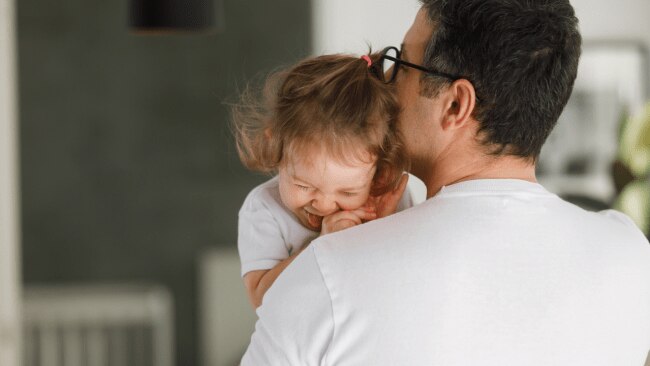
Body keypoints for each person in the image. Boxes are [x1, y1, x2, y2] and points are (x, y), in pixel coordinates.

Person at [241, 0, 650, 364]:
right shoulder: (632, 256)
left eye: (402, 63)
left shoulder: (327, 269)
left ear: (455, 104)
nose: (384, 80)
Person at [232, 53, 413, 308]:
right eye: (304, 186)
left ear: (378, 172)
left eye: (348, 193)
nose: (325, 205)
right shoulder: (264, 209)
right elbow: (261, 299)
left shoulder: (385, 198)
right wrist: (323, 244)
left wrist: (381, 228)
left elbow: (404, 285)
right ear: (277, 148)